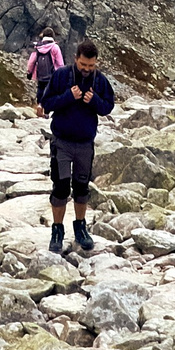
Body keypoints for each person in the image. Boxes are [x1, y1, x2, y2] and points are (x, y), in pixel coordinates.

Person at [38, 38, 116, 256]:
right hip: (62, 142)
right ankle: (57, 232)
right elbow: (47, 103)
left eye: (91, 66)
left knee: (82, 188)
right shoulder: (61, 75)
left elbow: (108, 106)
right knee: (61, 187)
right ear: (76, 59)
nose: (87, 69)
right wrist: (68, 97)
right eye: (83, 65)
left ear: (96, 63)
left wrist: (94, 102)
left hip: (85, 144)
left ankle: (81, 229)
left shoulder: (100, 81)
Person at [26, 26, 65, 113]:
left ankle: (40, 105)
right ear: (53, 36)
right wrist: (61, 75)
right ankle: (47, 111)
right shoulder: (55, 47)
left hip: (40, 75)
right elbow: (60, 63)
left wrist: (29, 72)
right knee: (50, 92)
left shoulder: (38, 47)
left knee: (40, 89)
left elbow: (31, 61)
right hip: (52, 75)